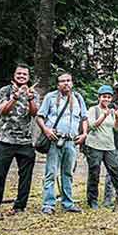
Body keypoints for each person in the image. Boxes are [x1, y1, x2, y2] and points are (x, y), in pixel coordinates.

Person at [0, 64, 39, 215]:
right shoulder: (5, 90)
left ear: (28, 77)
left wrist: (30, 99)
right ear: (14, 75)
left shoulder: (32, 92)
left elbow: (35, 113)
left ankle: (20, 206)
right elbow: (3, 111)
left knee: (26, 176)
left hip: (25, 142)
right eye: (19, 74)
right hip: (5, 140)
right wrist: (14, 98)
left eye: (25, 75)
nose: (22, 76)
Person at [36, 72, 88, 214]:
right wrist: (46, 130)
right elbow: (40, 116)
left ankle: (68, 203)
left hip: (71, 141)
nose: (66, 83)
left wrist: (84, 134)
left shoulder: (78, 98)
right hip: (55, 140)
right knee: (51, 173)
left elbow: (84, 118)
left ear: (72, 82)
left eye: (68, 80)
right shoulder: (50, 97)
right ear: (58, 84)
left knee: (68, 173)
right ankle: (48, 204)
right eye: (62, 81)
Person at [84, 85, 118, 210]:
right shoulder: (93, 109)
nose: (106, 99)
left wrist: (117, 118)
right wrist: (103, 116)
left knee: (116, 172)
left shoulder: (111, 111)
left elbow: (116, 128)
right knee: (94, 173)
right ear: (99, 97)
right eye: (104, 97)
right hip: (94, 145)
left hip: (109, 145)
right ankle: (92, 200)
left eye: (108, 97)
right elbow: (92, 126)